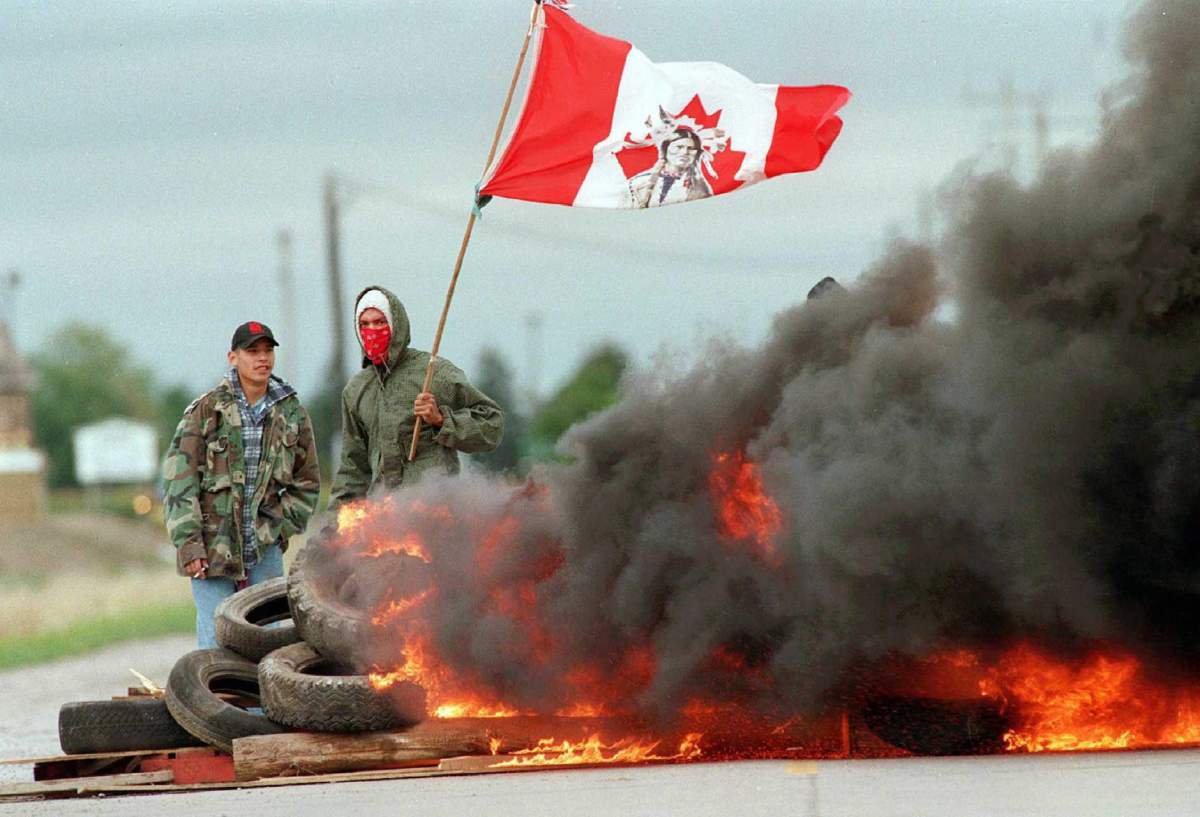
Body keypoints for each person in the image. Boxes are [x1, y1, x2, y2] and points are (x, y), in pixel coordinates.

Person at [162, 321, 320, 648]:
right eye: (252, 351)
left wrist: (279, 529)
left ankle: (263, 702)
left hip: (264, 549)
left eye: (267, 350)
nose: (262, 358)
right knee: (214, 638)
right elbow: (180, 481)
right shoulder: (206, 410)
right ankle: (218, 700)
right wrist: (189, 544)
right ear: (233, 357)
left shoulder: (291, 412)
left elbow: (307, 481)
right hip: (211, 546)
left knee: (267, 639)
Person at [330, 285, 504, 507]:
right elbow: (352, 469)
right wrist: (334, 528)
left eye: (380, 322)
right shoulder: (356, 390)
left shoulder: (435, 374)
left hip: (434, 517)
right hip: (383, 519)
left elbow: (493, 425)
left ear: (395, 325)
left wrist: (441, 420)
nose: (372, 330)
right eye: (365, 324)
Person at [628, 128, 713, 209]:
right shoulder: (638, 182)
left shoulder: (700, 187)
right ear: (665, 150)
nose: (684, 152)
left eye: (691, 148)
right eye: (679, 147)